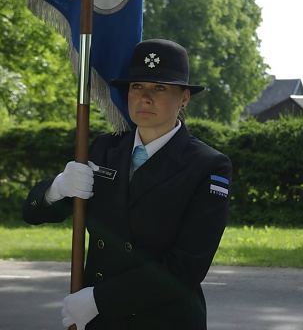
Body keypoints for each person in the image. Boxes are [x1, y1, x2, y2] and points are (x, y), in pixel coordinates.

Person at [23, 38, 232, 330]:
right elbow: (32, 214)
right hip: (98, 321)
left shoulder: (208, 165)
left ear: (184, 98)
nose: (145, 97)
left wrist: (99, 300)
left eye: (160, 88)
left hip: (161, 319)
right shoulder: (104, 149)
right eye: (137, 87)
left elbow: (187, 266)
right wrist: (56, 189)